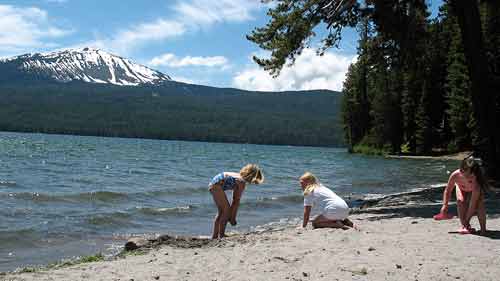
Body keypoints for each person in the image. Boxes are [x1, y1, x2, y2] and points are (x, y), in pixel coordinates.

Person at [208, 164, 264, 239]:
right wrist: (232, 218)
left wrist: (231, 216)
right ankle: (221, 235)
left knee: (222, 211)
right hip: (216, 186)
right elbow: (236, 201)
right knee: (226, 210)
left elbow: (235, 200)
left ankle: (215, 236)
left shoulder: (237, 176)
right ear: (252, 177)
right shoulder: (241, 182)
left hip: (213, 184)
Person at [440, 157, 488, 235]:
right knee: (460, 201)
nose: (465, 174)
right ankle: (465, 226)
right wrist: (445, 205)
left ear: (473, 172)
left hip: (474, 191)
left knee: (479, 205)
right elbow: (448, 190)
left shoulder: (477, 179)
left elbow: (472, 205)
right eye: (463, 171)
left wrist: (467, 220)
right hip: (461, 188)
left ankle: (483, 229)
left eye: (468, 173)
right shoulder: (456, 175)